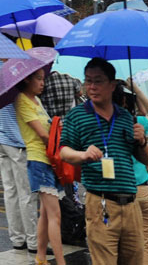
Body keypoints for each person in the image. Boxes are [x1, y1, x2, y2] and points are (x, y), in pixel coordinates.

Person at [60, 58, 148, 264]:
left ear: (112, 85)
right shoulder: (77, 116)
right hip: (100, 203)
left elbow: (145, 159)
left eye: (98, 81)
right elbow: (64, 151)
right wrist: (83, 155)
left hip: (131, 203)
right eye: (88, 81)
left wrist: (142, 141)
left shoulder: (126, 117)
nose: (91, 87)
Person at [15, 67, 65, 265]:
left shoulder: (37, 100)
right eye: (38, 78)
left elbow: (48, 128)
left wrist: (56, 128)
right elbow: (43, 134)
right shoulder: (22, 100)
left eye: (43, 78)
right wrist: (58, 139)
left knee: (45, 213)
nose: (42, 83)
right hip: (38, 161)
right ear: (27, 79)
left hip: (49, 160)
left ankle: (41, 257)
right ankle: (61, 261)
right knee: (55, 215)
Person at [116, 80, 148, 265]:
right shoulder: (137, 124)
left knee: (122, 249)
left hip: (119, 194)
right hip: (142, 190)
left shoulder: (101, 126)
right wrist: (136, 89)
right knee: (147, 245)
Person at [0, 100, 38, 253]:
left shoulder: (4, 89)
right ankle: (33, 241)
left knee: (11, 192)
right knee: (26, 193)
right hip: (17, 142)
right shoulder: (16, 91)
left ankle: (17, 238)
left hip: (2, 141)